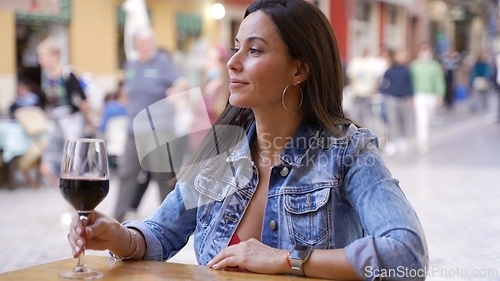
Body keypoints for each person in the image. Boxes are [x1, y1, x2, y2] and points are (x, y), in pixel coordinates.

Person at [68, 1, 428, 280]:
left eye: (254, 51)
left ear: (299, 69)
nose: (232, 63)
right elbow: (160, 233)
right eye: (236, 48)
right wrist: (117, 237)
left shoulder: (348, 152)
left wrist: (286, 260)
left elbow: (406, 254)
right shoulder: (221, 152)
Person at [112, 27, 189, 222]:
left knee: (162, 177)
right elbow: (128, 91)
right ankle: (117, 216)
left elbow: (183, 83)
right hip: (134, 130)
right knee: (127, 173)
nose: (147, 47)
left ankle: (169, 219)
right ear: (136, 46)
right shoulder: (131, 64)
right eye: (142, 43)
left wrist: (176, 90)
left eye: (149, 43)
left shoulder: (162, 62)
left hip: (158, 130)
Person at [36, 37, 93, 187]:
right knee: (49, 164)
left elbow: (83, 101)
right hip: (56, 122)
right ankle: (65, 194)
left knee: (73, 164)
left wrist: (88, 120)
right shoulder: (47, 77)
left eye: (43, 56)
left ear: (55, 55)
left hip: (72, 122)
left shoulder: (67, 74)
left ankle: (73, 201)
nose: (40, 60)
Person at [410, 43, 445, 155]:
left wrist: (440, 94)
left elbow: (439, 80)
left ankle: (428, 139)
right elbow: (410, 81)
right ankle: (422, 142)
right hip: (419, 95)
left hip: (432, 95)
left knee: (429, 119)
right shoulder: (415, 66)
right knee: (421, 119)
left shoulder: (435, 66)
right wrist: (410, 96)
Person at [380, 48, 414, 156]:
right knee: (392, 121)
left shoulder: (406, 70)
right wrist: (384, 94)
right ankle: (393, 143)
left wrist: (411, 97)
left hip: (404, 98)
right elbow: (384, 85)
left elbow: (410, 84)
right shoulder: (389, 71)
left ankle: (402, 140)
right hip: (392, 98)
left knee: (404, 120)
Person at [439, 46, 461, 110]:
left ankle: (451, 102)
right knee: (446, 88)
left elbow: (457, 66)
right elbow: (442, 64)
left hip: (452, 74)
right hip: (446, 74)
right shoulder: (444, 57)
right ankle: (446, 102)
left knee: (451, 89)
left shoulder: (456, 57)